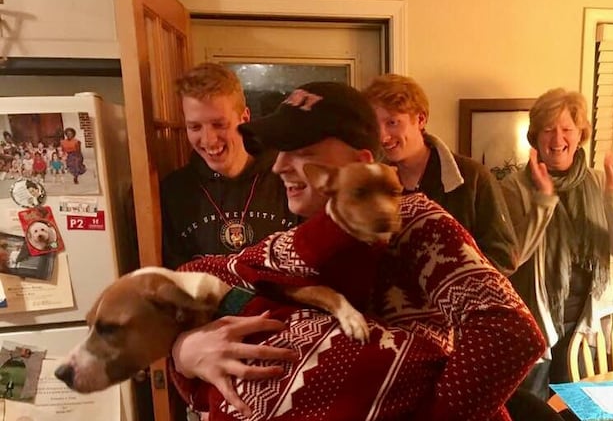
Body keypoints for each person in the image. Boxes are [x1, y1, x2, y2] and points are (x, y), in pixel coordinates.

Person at [168, 82, 546, 420]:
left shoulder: (412, 220)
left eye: (302, 150)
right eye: (280, 151)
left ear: (361, 162)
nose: (280, 165)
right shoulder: (297, 229)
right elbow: (202, 275)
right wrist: (185, 351)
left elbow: (509, 331)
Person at [500, 88, 613, 412]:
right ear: (535, 136)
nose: (558, 138)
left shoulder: (596, 183)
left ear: (581, 135)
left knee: (579, 411)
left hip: (583, 327)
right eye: (548, 129)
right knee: (531, 412)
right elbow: (510, 258)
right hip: (535, 329)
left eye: (567, 129)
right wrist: (543, 201)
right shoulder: (514, 187)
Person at [362, 74, 518, 276]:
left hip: (460, 305)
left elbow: (504, 256)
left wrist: (446, 281)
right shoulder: (373, 183)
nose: (382, 136)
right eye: (376, 126)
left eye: (392, 122)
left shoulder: (473, 177)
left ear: (420, 119)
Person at [160, 62, 298, 269]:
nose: (208, 140)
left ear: (244, 119)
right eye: (195, 127)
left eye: (219, 124)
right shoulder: (172, 191)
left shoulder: (288, 179)